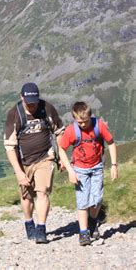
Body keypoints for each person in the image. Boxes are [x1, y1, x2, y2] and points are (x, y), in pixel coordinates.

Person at [4, 82, 65, 244]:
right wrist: (19, 172)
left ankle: (41, 228)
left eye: (34, 102)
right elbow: (10, 147)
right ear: (21, 98)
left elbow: (59, 132)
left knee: (42, 192)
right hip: (24, 162)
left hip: (46, 157)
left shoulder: (47, 109)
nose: (31, 106)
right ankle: (28, 221)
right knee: (26, 196)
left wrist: (62, 157)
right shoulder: (14, 114)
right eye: (28, 102)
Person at [58, 101, 117, 246]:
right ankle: (83, 233)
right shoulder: (72, 130)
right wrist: (70, 171)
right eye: (79, 122)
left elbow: (111, 142)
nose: (83, 125)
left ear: (90, 116)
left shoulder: (99, 125)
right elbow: (61, 150)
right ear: (74, 119)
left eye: (85, 122)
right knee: (83, 201)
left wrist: (114, 165)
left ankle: (92, 221)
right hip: (80, 169)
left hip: (97, 167)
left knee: (97, 200)